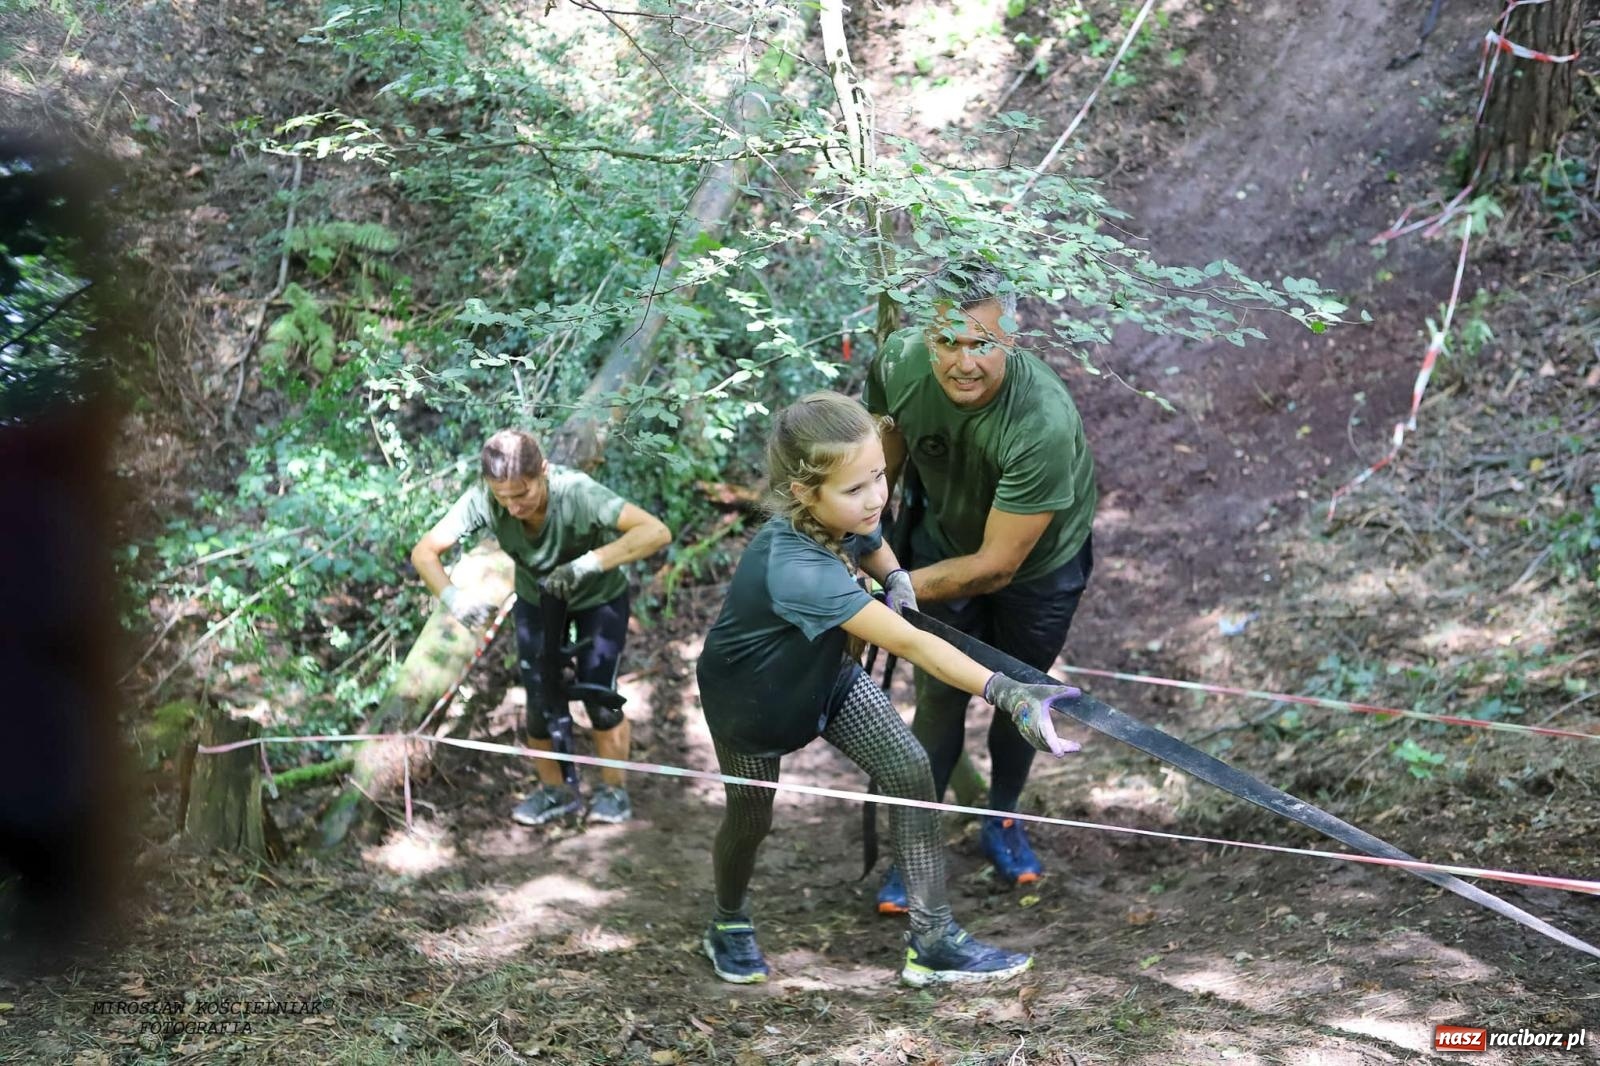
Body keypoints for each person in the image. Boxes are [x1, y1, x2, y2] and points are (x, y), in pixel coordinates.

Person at [695, 392, 1082, 987]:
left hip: (827, 676)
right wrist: (1006, 692)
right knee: (751, 820)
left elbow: (871, 539)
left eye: (879, 475)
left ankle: (933, 941)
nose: (876, 497)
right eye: (856, 488)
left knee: (909, 770)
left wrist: (896, 575)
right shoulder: (797, 567)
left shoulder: (843, 516)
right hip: (753, 705)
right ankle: (727, 920)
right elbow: (912, 644)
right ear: (803, 493)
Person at [865, 260, 1096, 913]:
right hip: (941, 540)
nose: (962, 362)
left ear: (1012, 339)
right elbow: (880, 461)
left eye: (981, 344)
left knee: (1021, 696)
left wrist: (885, 592)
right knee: (939, 698)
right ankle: (915, 849)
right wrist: (861, 544)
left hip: (1039, 567)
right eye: (947, 342)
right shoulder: (899, 363)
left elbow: (998, 565)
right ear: (926, 336)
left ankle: (1002, 818)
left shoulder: (1041, 420)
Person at [411, 429, 672, 826]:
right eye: (503, 497)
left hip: (598, 597)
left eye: (522, 494)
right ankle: (556, 792)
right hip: (537, 601)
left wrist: (586, 564)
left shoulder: (578, 493)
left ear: (544, 472)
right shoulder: (484, 499)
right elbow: (425, 552)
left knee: (600, 696)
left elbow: (656, 531)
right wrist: (453, 599)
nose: (513, 506)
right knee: (539, 701)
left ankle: (613, 791)